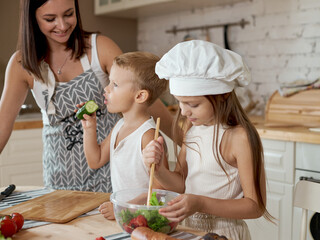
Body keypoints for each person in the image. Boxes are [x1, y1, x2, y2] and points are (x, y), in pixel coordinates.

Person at [0, 0, 173, 192]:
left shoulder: (100, 47)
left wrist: (189, 145)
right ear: (33, 19)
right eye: (50, 19)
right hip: (59, 179)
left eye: (68, 14)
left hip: (109, 179)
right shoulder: (21, 63)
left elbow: (145, 98)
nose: (63, 25)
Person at [142, 40, 273, 240]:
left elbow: (255, 206)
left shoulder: (239, 138)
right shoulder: (192, 128)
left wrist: (201, 203)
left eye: (192, 104)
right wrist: (159, 171)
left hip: (224, 233)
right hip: (188, 229)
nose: (184, 112)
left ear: (222, 95)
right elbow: (181, 184)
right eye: (179, 102)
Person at [78, 52, 169, 219]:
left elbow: (158, 190)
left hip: (143, 218)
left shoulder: (148, 136)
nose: (106, 88)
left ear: (140, 96)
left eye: (115, 85)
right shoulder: (120, 126)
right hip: (124, 218)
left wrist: (123, 208)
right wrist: (90, 128)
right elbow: (95, 160)